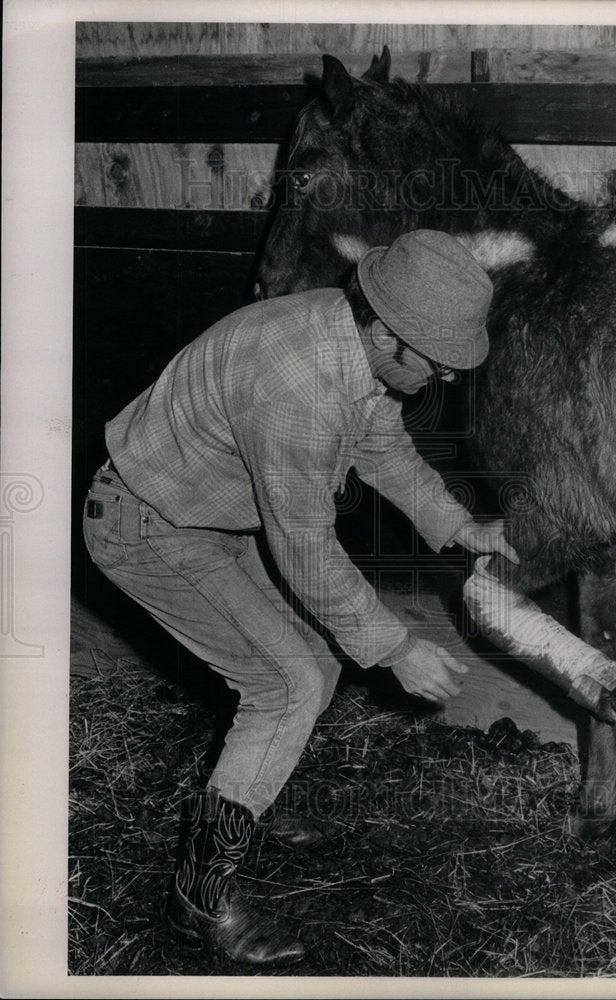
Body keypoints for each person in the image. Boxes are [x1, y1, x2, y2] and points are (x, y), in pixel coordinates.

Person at [82, 229, 518, 967]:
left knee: (314, 657)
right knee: (287, 683)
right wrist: (395, 646)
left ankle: (250, 796)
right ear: (387, 331)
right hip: (147, 523)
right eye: (439, 361)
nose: (445, 376)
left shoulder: (350, 338)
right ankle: (199, 899)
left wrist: (456, 525)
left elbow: (380, 446)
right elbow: (305, 544)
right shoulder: (300, 383)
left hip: (208, 512)